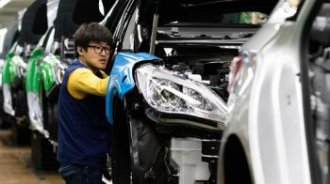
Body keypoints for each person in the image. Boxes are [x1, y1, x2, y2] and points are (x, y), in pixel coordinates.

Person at [56, 22, 113, 184]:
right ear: (81, 50)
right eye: (97, 47)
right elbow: (103, 87)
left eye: (107, 48)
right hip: (80, 163)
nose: (104, 54)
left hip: (86, 160)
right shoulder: (78, 74)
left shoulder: (98, 73)